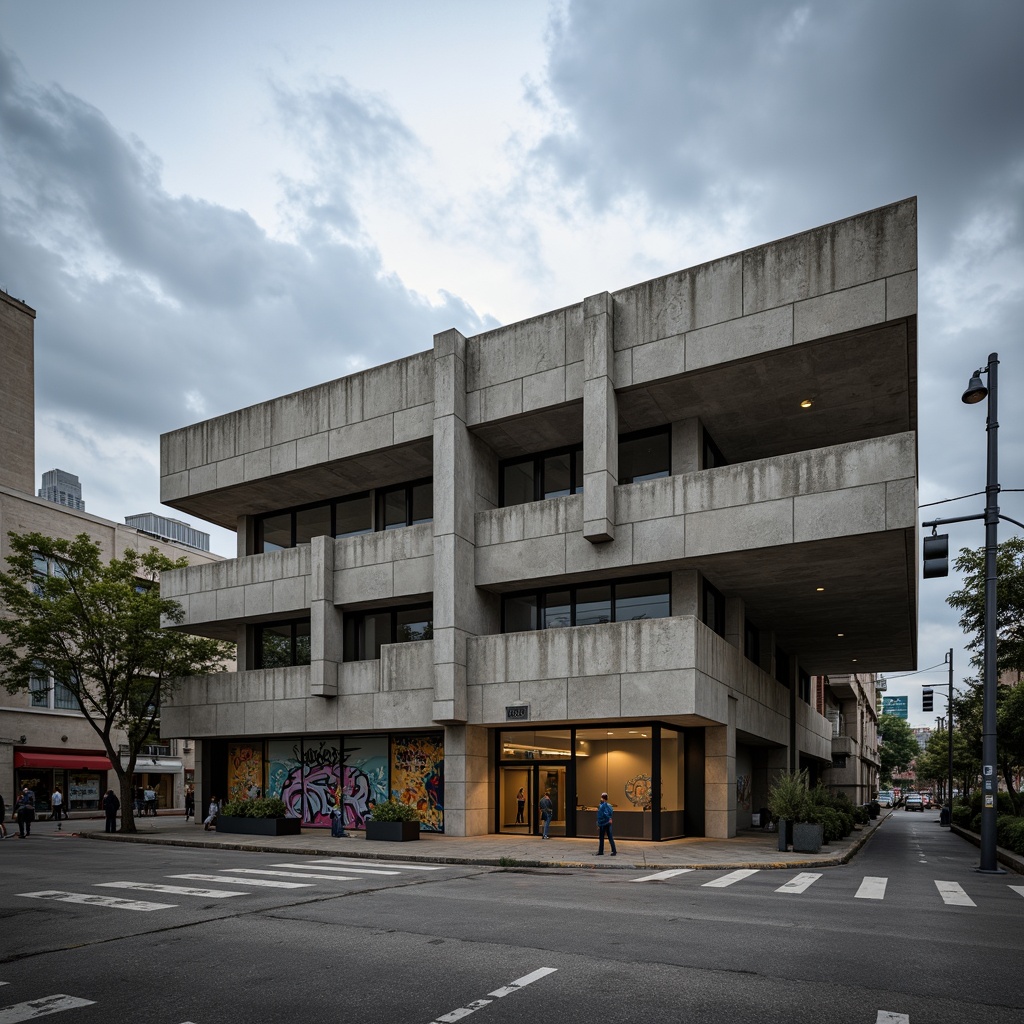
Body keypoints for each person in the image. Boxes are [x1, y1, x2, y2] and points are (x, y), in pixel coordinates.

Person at [594, 792, 617, 856]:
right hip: (608, 823)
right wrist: (609, 819)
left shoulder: (601, 806)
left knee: (601, 838)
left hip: (602, 823)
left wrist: (598, 823)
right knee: (610, 837)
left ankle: (601, 851)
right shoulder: (609, 806)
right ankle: (614, 850)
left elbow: (600, 815)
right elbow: (611, 813)